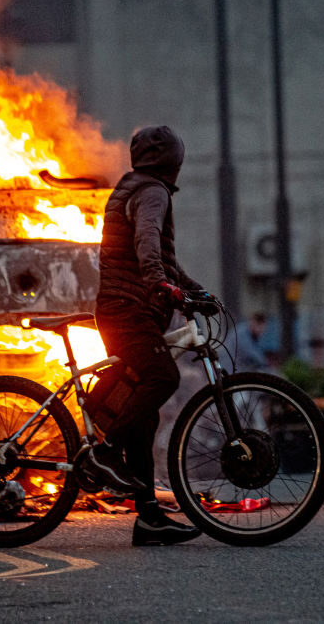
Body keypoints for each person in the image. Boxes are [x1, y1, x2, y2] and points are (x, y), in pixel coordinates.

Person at [81, 125, 205, 546]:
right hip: (127, 311)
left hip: (128, 310)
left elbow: (164, 262)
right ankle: (103, 453)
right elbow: (147, 244)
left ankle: (149, 518)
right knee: (164, 377)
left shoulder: (135, 186)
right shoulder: (153, 192)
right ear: (173, 161)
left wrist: (192, 290)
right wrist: (159, 284)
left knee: (145, 417)